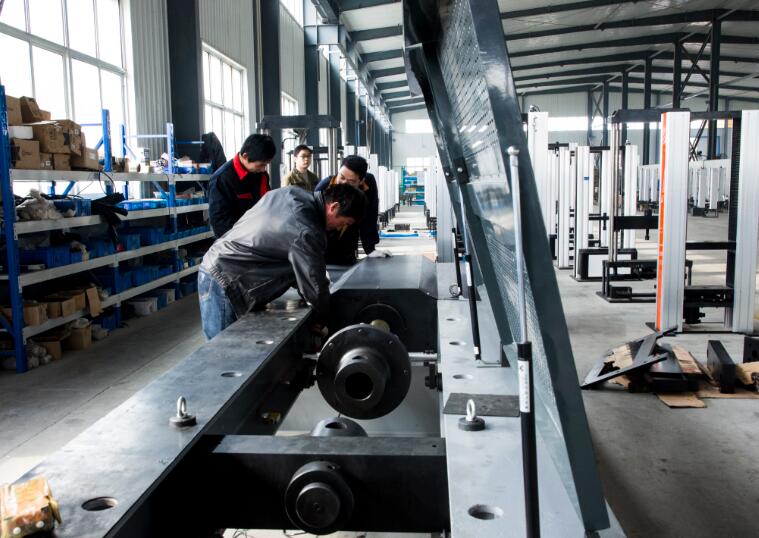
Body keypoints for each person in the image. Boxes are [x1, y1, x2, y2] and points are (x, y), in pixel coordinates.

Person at [198, 183, 368, 340]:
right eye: (344, 222)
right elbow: (313, 280)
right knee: (222, 350)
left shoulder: (292, 193)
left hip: (221, 267)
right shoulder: (306, 229)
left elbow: (297, 267)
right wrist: (323, 320)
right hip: (225, 278)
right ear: (334, 207)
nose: (340, 228)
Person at [314, 155, 380, 265]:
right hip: (325, 243)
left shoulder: (368, 184)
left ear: (361, 181)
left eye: (351, 181)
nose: (343, 183)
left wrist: (370, 249)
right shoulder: (323, 188)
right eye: (341, 177)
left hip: (349, 240)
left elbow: (370, 216)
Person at [208, 134, 276, 237]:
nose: (263, 169)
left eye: (265, 165)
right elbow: (220, 222)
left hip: (260, 236)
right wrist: (245, 238)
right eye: (261, 165)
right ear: (245, 156)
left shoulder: (261, 175)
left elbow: (267, 204)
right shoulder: (221, 179)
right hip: (236, 240)